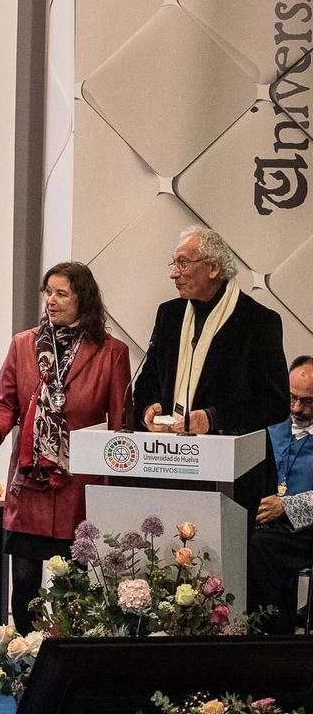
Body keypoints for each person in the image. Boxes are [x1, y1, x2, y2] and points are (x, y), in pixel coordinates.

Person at [0, 262, 130, 631]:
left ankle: (67, 659)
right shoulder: (23, 344)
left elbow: (122, 427)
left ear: (83, 299)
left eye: (62, 293)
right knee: (25, 582)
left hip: (80, 487)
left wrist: (117, 493)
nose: (51, 301)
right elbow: (4, 403)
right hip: (31, 483)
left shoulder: (111, 352)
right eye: (48, 292)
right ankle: (23, 658)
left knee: (74, 585)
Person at [133, 226, 289, 513]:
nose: (173, 273)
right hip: (168, 462)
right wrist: (147, 408)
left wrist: (214, 418)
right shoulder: (169, 314)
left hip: (234, 474)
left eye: (183, 263)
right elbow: (148, 380)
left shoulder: (259, 321)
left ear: (213, 267)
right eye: (174, 263)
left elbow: (276, 404)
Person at [246, 357, 313, 634]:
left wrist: (287, 507)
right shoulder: (270, 431)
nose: (296, 408)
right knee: (247, 537)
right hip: (273, 529)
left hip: (309, 531)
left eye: (307, 401)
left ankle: (270, 632)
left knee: (262, 544)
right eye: (292, 398)